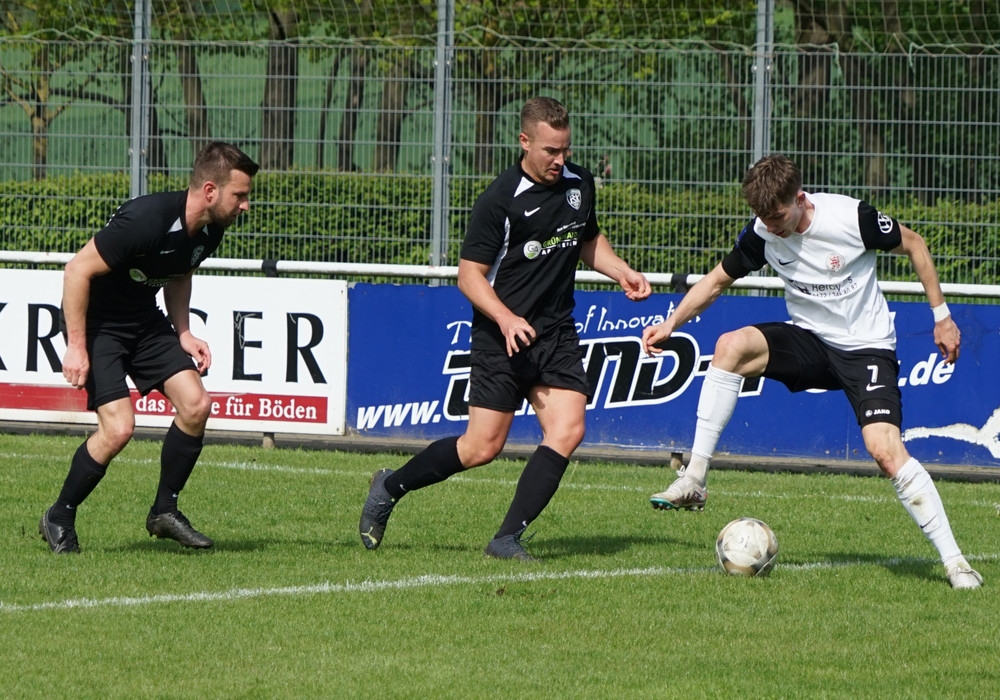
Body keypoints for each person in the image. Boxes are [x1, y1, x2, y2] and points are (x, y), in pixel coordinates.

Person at [641, 154, 982, 589]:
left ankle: (956, 563)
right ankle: (694, 479)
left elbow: (915, 244)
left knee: (884, 451)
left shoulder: (850, 218)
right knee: (730, 347)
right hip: (810, 341)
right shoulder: (763, 232)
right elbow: (716, 281)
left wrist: (942, 317)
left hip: (866, 348)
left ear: (800, 199)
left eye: (778, 216)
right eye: (764, 217)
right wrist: (670, 324)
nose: (771, 226)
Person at [359, 96, 651, 561]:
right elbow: (469, 275)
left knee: (568, 429)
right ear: (524, 141)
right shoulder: (499, 200)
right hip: (501, 336)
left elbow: (587, 238)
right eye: (550, 151)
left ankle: (506, 538)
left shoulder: (579, 183)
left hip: (555, 332)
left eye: (566, 150)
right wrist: (507, 317)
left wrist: (621, 271)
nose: (560, 160)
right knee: (481, 447)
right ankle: (389, 487)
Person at [39, 141, 259, 554]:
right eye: (240, 195)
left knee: (196, 405)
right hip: (99, 325)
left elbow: (180, 273)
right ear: (210, 191)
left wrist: (183, 332)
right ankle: (59, 515)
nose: (245, 205)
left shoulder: (211, 229)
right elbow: (76, 271)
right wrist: (76, 347)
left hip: (143, 320)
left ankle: (164, 511)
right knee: (119, 429)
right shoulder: (147, 219)